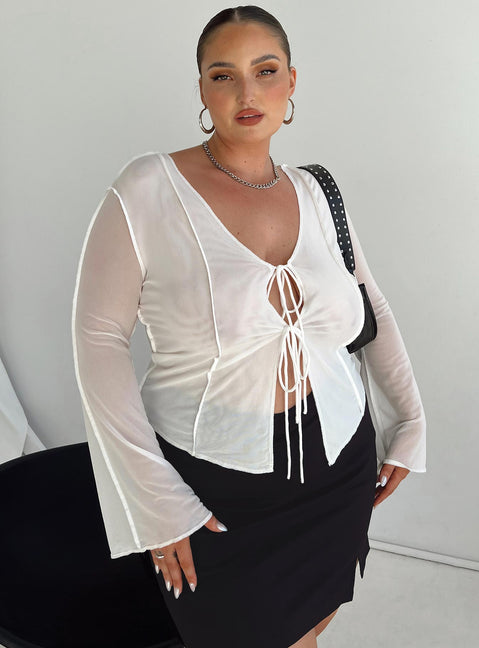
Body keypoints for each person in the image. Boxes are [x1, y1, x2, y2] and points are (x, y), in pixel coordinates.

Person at [71, 5, 426, 648]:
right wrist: (154, 500)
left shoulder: (317, 192)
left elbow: (371, 306)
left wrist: (411, 420)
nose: (246, 92)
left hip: (338, 464)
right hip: (212, 485)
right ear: (202, 90)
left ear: (291, 82)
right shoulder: (148, 189)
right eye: (223, 75)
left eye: (265, 71)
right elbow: (98, 340)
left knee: (309, 629)